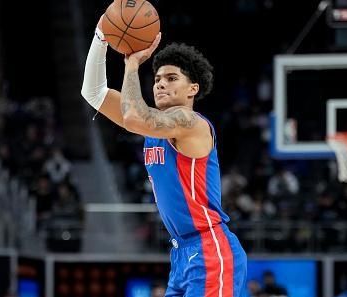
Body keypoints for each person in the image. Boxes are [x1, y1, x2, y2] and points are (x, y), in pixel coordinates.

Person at [81, 15, 248, 297]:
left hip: (210, 248)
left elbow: (134, 116)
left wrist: (132, 64)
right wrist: (101, 36)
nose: (160, 84)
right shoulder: (155, 124)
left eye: (171, 79)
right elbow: (93, 92)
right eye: (157, 79)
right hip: (182, 253)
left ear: (192, 89)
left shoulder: (189, 122)